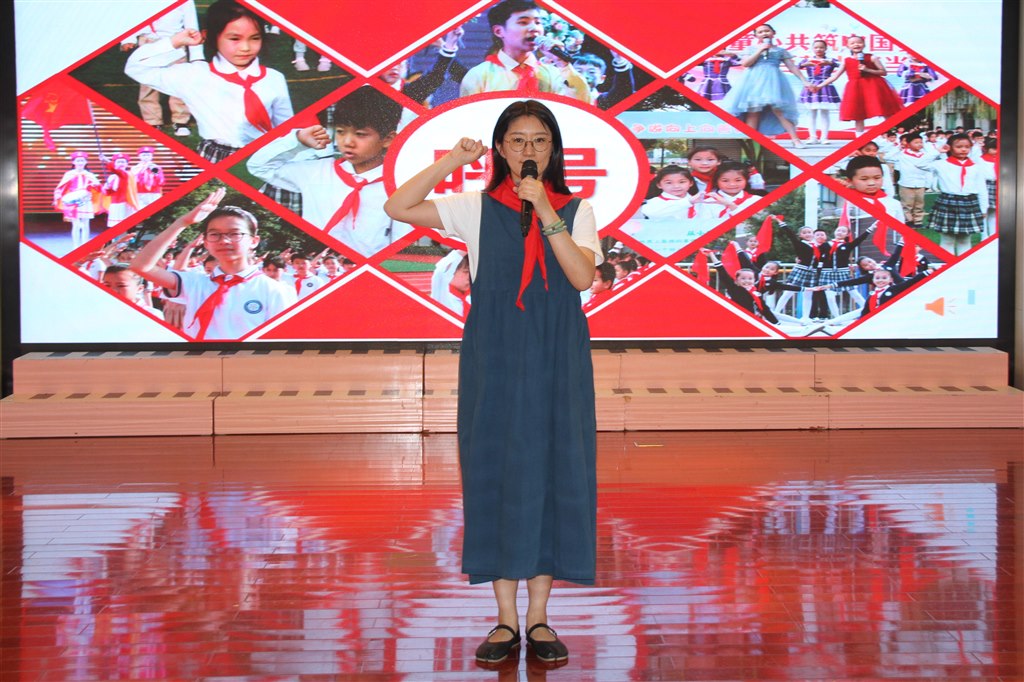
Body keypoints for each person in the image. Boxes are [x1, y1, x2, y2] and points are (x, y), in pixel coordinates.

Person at [384, 100, 601, 665]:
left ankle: (540, 618)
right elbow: (398, 206)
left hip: (557, 352)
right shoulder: (474, 208)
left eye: (540, 140)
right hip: (497, 350)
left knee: (556, 470)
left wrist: (545, 210)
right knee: (497, 471)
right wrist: (451, 161)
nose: (529, 150)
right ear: (501, 148)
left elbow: (581, 276)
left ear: (553, 150)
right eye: (517, 140)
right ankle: (505, 620)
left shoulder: (577, 209)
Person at [247, 87, 411, 256]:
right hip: (316, 258)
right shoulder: (315, 172)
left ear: (388, 139)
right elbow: (259, 166)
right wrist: (298, 140)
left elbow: (400, 238)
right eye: (340, 132)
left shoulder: (399, 186)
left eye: (360, 134)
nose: (347, 142)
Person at [125, 0, 293, 163]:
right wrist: (174, 42)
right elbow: (136, 68)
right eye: (234, 39)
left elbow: (286, 126)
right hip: (214, 155)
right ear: (209, 36)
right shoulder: (194, 75)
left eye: (255, 38)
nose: (245, 48)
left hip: (265, 155)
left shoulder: (274, 78)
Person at [130, 188, 296, 340]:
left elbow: (281, 340)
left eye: (234, 234)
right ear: (206, 242)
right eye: (215, 234)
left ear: (254, 241)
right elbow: (141, 266)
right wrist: (182, 222)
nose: (224, 241)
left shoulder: (275, 290)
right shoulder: (194, 283)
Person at [459, 0, 589, 101]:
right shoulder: (479, 75)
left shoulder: (554, 74)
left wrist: (562, 63)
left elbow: (582, 106)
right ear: (499, 31)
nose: (534, 28)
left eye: (538, 22)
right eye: (523, 22)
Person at [722, 23, 811, 147]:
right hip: (753, 82)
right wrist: (760, 50)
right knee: (753, 111)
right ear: (756, 36)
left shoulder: (780, 51)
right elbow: (746, 64)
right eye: (760, 32)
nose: (764, 33)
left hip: (774, 82)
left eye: (767, 31)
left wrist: (804, 80)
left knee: (779, 110)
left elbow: (792, 67)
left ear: (773, 33)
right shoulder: (751, 49)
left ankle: (796, 140)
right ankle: (750, 142)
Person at [119, 0, 199, 136]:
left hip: (175, 42)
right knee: (148, 86)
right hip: (148, 42)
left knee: (178, 82)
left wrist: (196, 55)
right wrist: (128, 39)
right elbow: (130, 16)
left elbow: (192, 24)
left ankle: (181, 121)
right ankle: (152, 121)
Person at [820, 36, 902, 135]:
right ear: (848, 46)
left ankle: (894, 134)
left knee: (885, 111)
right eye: (852, 43)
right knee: (858, 115)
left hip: (874, 87)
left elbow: (883, 72)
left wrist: (867, 70)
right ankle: (859, 137)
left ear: (864, 44)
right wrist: (819, 86)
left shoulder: (872, 57)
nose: (856, 45)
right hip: (856, 89)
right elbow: (835, 76)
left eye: (859, 42)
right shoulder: (846, 61)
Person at [53, 150, 101, 248]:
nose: (80, 163)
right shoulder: (69, 174)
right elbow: (61, 186)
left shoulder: (89, 174)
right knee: (76, 224)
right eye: (78, 160)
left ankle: (85, 245)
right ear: (73, 162)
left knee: (86, 224)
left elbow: (98, 187)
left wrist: (94, 185)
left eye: (82, 160)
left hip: (85, 200)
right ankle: (75, 246)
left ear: (86, 162)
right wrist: (57, 196)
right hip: (73, 201)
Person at [798, 40, 841, 145]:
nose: (819, 49)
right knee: (811, 113)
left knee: (824, 113)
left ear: (826, 49)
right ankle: (813, 137)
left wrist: (830, 63)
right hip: (811, 86)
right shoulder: (808, 60)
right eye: (816, 47)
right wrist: (804, 64)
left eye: (821, 47)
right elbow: (795, 67)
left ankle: (824, 137)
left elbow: (842, 65)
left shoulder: (830, 60)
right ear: (812, 49)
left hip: (826, 86)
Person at [430, 249, 472, 317]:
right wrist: (467, 248)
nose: (470, 277)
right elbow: (440, 272)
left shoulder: (470, 300)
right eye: (466, 272)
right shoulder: (441, 297)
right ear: (451, 271)